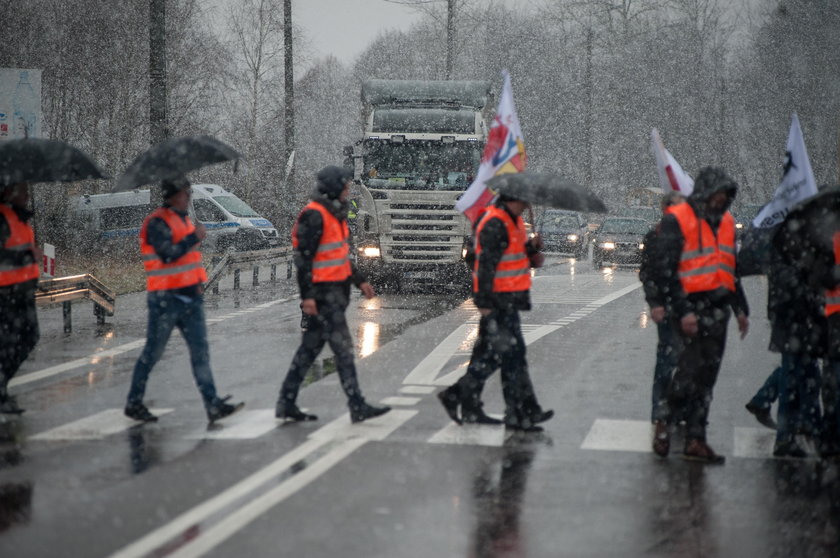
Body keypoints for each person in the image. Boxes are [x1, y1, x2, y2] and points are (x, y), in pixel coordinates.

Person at [275, 166, 391, 424]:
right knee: (344, 353)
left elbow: (338, 256)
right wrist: (307, 298)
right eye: (345, 186)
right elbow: (304, 261)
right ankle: (356, 403)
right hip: (323, 297)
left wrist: (360, 281)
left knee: (308, 352)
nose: (348, 190)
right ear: (334, 188)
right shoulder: (314, 216)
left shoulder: (334, 215)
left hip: (334, 294)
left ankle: (286, 401)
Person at [125, 177, 243, 424]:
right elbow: (168, 255)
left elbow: (188, 259)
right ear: (172, 195)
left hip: (190, 298)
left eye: (189, 192)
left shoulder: (184, 220)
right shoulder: (156, 222)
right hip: (166, 300)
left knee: (201, 354)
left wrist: (197, 283)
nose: (189, 197)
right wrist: (194, 237)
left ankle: (212, 404)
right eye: (185, 193)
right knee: (152, 354)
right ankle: (133, 403)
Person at [652, 167, 750, 463]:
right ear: (706, 192)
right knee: (687, 373)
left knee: (707, 378)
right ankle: (664, 422)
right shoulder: (678, 219)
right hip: (689, 307)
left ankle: (696, 438)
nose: (722, 200)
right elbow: (666, 270)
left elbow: (730, 268)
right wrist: (682, 311)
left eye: (726, 196)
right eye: (718, 194)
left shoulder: (728, 222)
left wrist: (740, 308)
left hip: (718, 309)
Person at [437, 193, 553, 432]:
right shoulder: (494, 221)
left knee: (488, 355)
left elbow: (513, 257)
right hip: (497, 301)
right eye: (526, 199)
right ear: (515, 198)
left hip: (509, 298)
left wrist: (530, 249)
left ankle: (467, 403)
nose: (529, 203)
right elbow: (484, 263)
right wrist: (483, 300)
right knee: (513, 356)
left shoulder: (514, 221)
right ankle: (520, 411)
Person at [745, 248, 824, 457]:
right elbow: (791, 281)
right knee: (801, 369)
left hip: (795, 315)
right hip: (796, 316)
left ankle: (771, 406)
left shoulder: (790, 241)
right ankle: (801, 429)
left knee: (800, 368)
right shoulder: (793, 245)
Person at [639, 192, 683, 427]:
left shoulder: (691, 236)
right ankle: (660, 411)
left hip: (690, 307)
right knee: (667, 360)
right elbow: (647, 273)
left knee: (687, 363)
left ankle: (677, 408)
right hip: (667, 307)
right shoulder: (655, 236)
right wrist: (655, 303)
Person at [0, 183, 41, 415]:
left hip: (22, 291)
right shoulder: (3, 219)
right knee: (11, 343)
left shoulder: (19, 218)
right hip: (6, 293)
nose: (27, 194)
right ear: (8, 192)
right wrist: (26, 256)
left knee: (28, 338)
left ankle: (2, 388)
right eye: (22, 190)